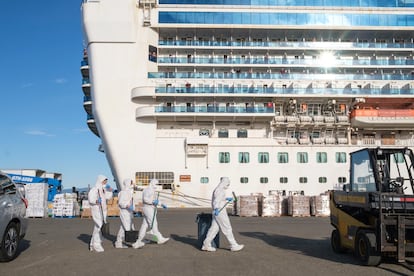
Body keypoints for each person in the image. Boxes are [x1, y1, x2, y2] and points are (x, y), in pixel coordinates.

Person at [202, 177, 244, 252]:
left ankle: (206, 244)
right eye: (227, 184)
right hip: (220, 211)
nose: (228, 186)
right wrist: (216, 209)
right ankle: (234, 245)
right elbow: (216, 201)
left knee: (214, 229)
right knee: (227, 228)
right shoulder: (220, 190)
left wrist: (226, 199)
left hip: (217, 211)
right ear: (224, 183)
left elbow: (219, 199)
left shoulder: (218, 189)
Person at [132, 179, 169, 249]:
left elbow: (155, 200)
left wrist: (161, 204)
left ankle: (138, 241)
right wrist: (153, 202)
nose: (156, 186)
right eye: (156, 184)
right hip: (148, 208)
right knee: (153, 223)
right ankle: (160, 238)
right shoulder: (148, 190)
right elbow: (145, 199)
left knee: (144, 225)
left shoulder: (152, 190)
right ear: (152, 183)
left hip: (150, 208)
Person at [88, 175, 112, 252]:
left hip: (103, 210)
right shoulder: (94, 189)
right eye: (104, 181)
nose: (105, 182)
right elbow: (91, 199)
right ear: (100, 181)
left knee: (98, 226)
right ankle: (96, 244)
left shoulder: (103, 189)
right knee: (99, 225)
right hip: (97, 210)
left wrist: (109, 191)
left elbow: (108, 197)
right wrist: (96, 201)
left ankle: (92, 244)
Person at [115, 178, 135, 248]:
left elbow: (131, 202)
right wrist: (127, 206)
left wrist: (133, 208)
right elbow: (120, 203)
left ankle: (118, 242)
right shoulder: (123, 192)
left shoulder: (129, 192)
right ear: (128, 184)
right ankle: (132, 242)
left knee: (123, 228)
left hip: (129, 212)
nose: (133, 184)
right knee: (128, 227)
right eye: (131, 183)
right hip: (124, 212)